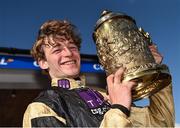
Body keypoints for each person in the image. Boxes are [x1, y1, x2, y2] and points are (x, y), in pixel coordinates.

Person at [23, 20, 175, 127]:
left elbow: (162, 123)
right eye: (57, 50)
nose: (69, 53)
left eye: (73, 47)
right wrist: (118, 109)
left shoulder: (107, 96)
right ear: (43, 62)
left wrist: (155, 69)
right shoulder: (42, 107)